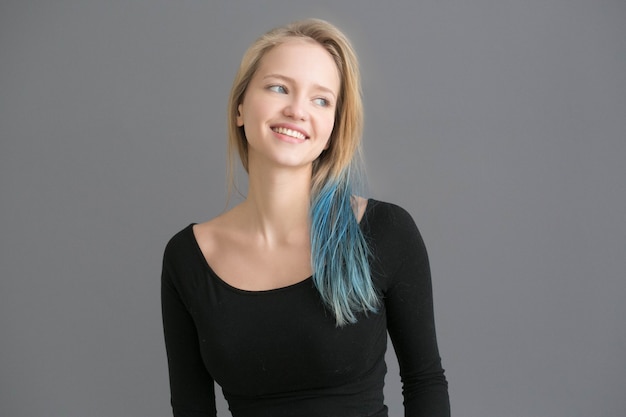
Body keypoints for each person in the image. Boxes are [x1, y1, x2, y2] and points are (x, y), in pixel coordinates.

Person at [161, 18, 450, 417]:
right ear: (241, 107)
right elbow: (190, 408)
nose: (297, 110)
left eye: (321, 99)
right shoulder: (188, 257)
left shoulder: (385, 232)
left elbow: (425, 383)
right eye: (279, 87)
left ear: (332, 128)